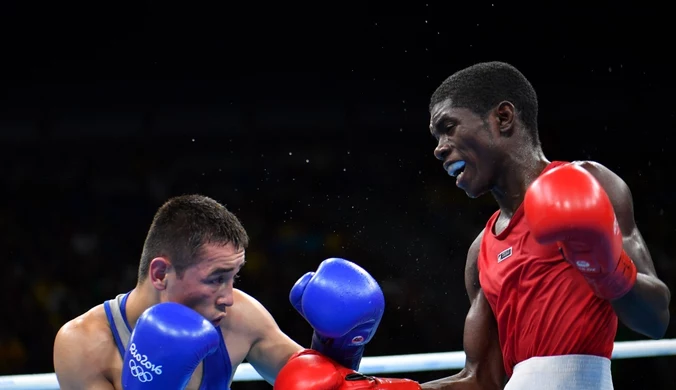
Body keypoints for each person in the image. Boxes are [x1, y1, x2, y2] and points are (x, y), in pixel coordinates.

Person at [421, 62, 671, 389]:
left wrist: (606, 269)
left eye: (448, 127)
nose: (439, 148)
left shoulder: (590, 183)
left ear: (503, 117)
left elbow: (656, 320)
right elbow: (482, 379)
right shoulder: (480, 251)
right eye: (436, 136)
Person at [53, 194, 422, 389]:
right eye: (216, 278)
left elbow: (319, 385)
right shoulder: (83, 343)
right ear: (161, 273)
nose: (229, 296)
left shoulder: (239, 317)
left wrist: (338, 346)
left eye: (234, 277)